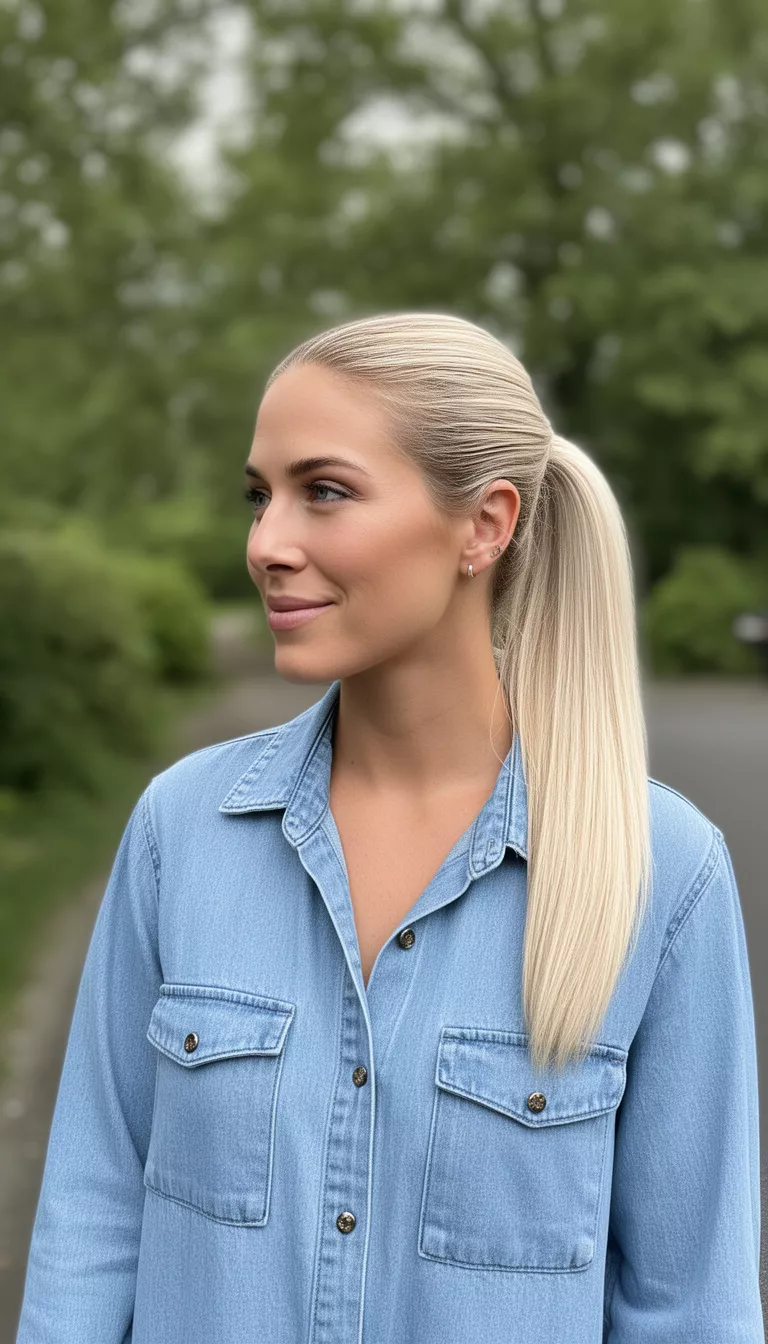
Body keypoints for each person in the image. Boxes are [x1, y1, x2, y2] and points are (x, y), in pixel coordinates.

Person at [16, 311, 763, 1342]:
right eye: (259, 496)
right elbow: (91, 1225)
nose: (266, 544)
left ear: (485, 526)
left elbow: (692, 1309)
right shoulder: (178, 832)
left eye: (324, 491)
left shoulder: (663, 872)